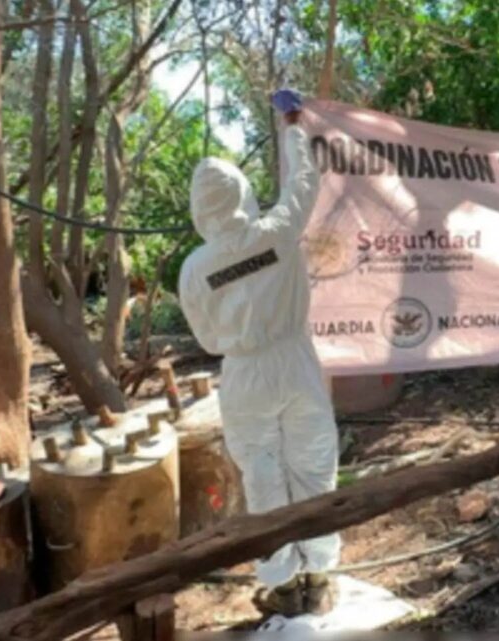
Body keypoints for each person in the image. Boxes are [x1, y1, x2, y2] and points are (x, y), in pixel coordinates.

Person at [178, 89, 340, 617]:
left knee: (262, 478)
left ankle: (283, 588)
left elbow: (206, 339)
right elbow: (304, 181)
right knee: (313, 465)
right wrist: (292, 125)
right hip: (295, 362)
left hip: (244, 375)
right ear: (244, 195)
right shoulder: (277, 231)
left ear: (200, 208)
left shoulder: (195, 269)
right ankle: (319, 576)